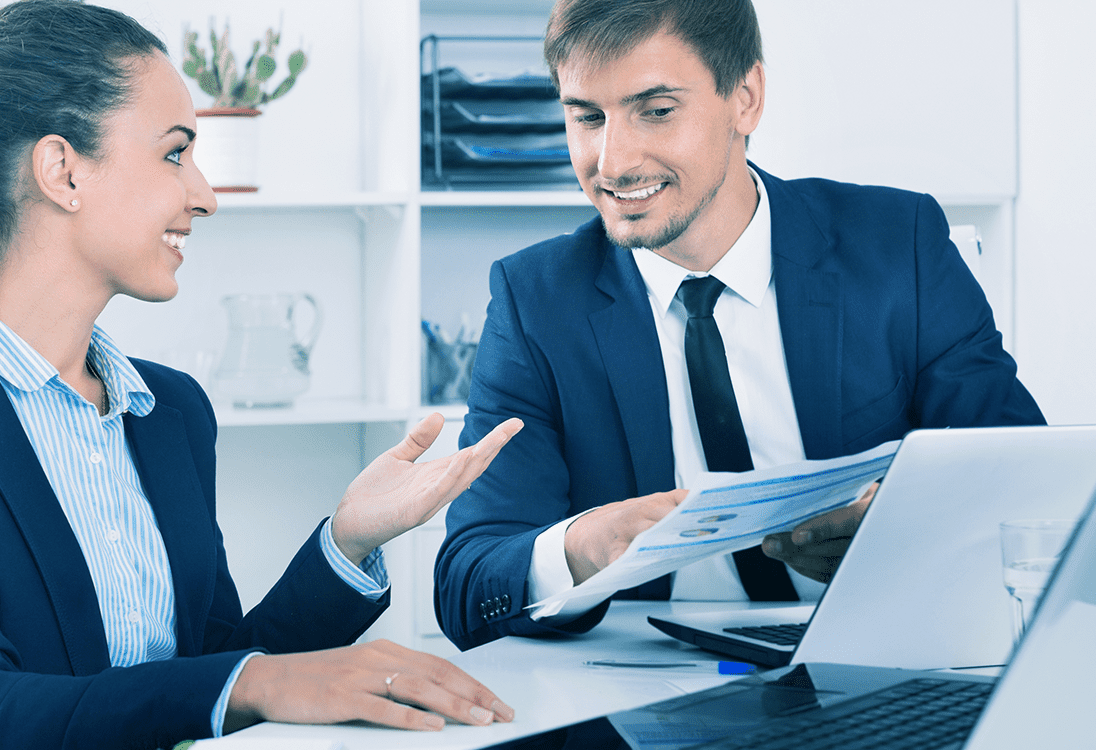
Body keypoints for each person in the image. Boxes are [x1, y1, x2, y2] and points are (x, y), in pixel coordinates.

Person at [0, 2, 523, 748]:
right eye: (175, 153)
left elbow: (211, 669)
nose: (204, 195)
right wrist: (256, 684)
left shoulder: (171, 411)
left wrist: (348, 542)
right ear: (63, 170)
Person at [434, 0, 1044, 651]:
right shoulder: (536, 300)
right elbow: (467, 581)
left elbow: (1025, 486)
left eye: (657, 111)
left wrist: (905, 531)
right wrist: (585, 547)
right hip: (639, 692)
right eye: (587, 117)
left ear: (745, 99)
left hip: (879, 659)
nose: (611, 163)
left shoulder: (900, 246)